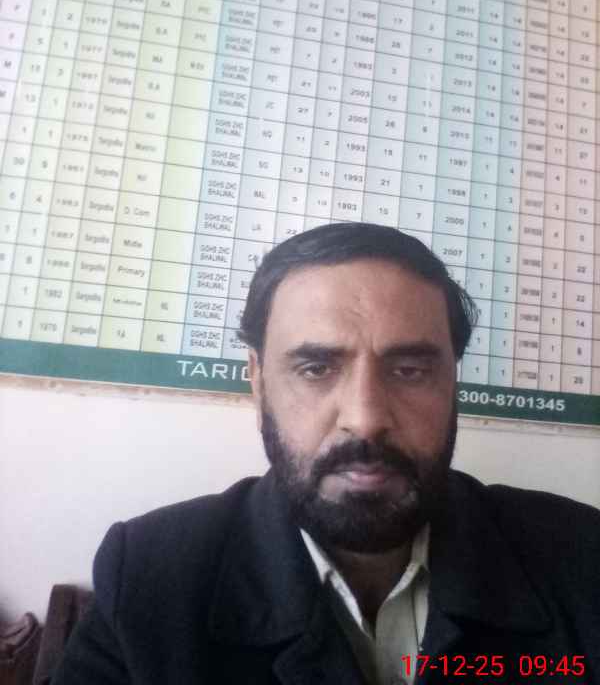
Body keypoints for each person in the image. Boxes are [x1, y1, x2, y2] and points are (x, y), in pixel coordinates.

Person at [53, 223, 600, 685]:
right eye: (315, 368)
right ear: (258, 383)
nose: (365, 417)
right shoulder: (149, 578)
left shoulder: (580, 558)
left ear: (452, 383)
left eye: (410, 370)